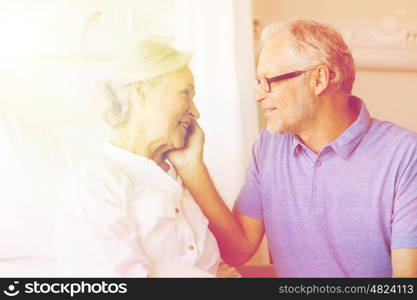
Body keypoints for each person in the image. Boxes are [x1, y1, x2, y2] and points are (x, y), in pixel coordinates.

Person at [167, 20, 417, 277]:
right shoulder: (268, 146)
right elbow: (238, 250)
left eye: (269, 81)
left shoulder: (406, 155)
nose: (258, 95)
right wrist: (192, 166)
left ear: (318, 79)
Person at [53, 40, 221, 277]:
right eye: (186, 93)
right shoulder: (95, 182)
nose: (196, 112)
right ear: (142, 92)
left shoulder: (184, 175)